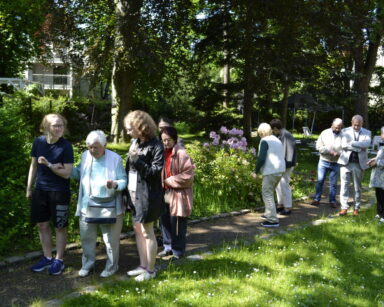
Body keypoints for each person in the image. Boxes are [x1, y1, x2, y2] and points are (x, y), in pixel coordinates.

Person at [71, 130, 127, 278]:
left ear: (105, 145)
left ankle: (112, 266)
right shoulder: (85, 156)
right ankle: (87, 264)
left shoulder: (115, 158)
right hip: (87, 205)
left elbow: (123, 180)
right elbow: (78, 173)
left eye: (96, 147)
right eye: (89, 146)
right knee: (87, 238)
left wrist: (114, 184)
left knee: (110, 240)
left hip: (110, 206)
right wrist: (65, 169)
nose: (92, 150)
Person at [26, 113, 74, 275]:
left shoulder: (66, 146)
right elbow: (33, 166)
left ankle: (59, 260)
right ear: (46, 127)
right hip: (41, 190)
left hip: (59, 192)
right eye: (56, 125)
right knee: (42, 225)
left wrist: (50, 165)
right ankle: (47, 257)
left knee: (60, 226)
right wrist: (29, 187)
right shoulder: (38, 142)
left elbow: (67, 173)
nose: (60, 128)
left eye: (61, 125)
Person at [124, 110, 164, 282]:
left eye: (130, 129)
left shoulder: (156, 145)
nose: (127, 132)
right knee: (138, 230)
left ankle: (151, 269)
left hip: (148, 196)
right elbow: (129, 169)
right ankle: (143, 265)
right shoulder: (136, 142)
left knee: (148, 233)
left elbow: (154, 173)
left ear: (141, 127)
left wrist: (136, 159)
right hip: (133, 193)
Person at [157, 126, 194, 260]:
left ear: (175, 139)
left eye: (168, 140)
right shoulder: (161, 152)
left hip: (178, 194)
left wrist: (169, 180)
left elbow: (188, 176)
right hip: (164, 193)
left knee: (177, 223)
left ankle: (178, 251)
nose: (166, 143)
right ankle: (167, 247)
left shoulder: (181, 154)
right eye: (163, 140)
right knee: (164, 221)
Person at [338, 115, 371, 216]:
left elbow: (366, 145)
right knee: (344, 186)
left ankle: (356, 207)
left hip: (359, 163)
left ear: (362, 123)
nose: (356, 127)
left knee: (357, 187)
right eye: (354, 125)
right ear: (352, 122)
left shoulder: (367, 132)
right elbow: (343, 145)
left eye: (359, 125)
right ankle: (344, 207)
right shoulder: (344, 131)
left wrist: (351, 143)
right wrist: (358, 146)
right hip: (345, 163)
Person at [254, 123, 285, 227]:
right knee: (270, 192)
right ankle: (269, 213)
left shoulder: (265, 141)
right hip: (280, 170)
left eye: (259, 133)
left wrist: (255, 171)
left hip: (271, 171)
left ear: (262, 132)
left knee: (267, 193)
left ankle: (272, 220)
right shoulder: (276, 140)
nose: (259, 135)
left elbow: (261, 158)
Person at [311, 118, 343, 208]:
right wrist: (329, 151)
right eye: (336, 127)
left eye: (340, 127)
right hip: (323, 161)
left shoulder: (344, 135)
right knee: (320, 181)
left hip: (336, 162)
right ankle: (317, 199)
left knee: (333, 183)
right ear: (332, 125)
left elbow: (346, 149)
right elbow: (318, 146)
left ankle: (332, 200)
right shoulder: (324, 133)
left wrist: (339, 153)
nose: (338, 129)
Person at [270, 119, 297, 215]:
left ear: (276, 128)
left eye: (273, 130)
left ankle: (288, 206)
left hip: (286, 164)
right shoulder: (280, 134)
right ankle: (280, 204)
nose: (273, 132)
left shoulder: (286, 135)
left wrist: (285, 165)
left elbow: (289, 152)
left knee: (284, 184)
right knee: (278, 185)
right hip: (281, 164)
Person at [368, 127, 384, 223]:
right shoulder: (382, 145)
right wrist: (373, 159)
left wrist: (377, 163)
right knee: (378, 194)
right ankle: (379, 212)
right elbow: (380, 156)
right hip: (379, 176)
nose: (381, 136)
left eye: (382, 133)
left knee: (383, 195)